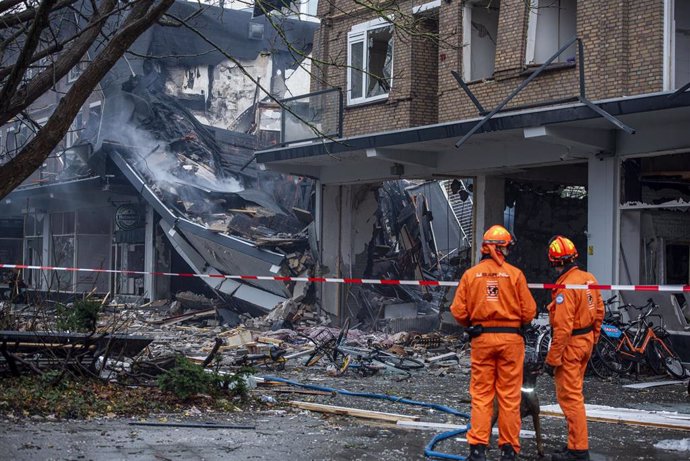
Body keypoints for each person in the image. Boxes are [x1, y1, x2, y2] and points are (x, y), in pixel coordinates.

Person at [451, 225, 537, 461]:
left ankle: (478, 449)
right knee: (509, 397)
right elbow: (529, 312)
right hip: (511, 341)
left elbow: (458, 311)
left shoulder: (471, 275)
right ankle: (508, 450)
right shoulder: (515, 275)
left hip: (482, 340)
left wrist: (474, 320)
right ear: (501, 248)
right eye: (507, 247)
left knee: (481, 395)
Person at [545, 236, 605, 461]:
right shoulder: (589, 279)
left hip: (570, 347)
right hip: (585, 343)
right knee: (575, 394)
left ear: (555, 262)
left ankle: (579, 450)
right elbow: (600, 311)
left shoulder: (566, 287)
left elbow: (562, 329)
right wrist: (593, 340)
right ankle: (573, 444)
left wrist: (552, 360)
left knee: (570, 399)